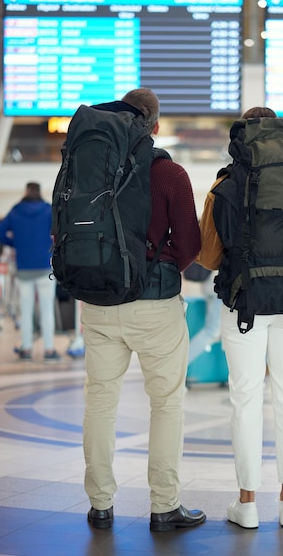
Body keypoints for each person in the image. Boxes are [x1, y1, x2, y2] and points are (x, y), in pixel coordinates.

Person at [198, 106, 283, 529]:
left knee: (245, 398)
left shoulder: (225, 184)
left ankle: (248, 503)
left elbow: (207, 256)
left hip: (244, 304)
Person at [79, 88, 206, 532]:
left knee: (100, 400)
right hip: (154, 306)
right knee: (167, 404)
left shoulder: (88, 164)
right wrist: (163, 263)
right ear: (155, 126)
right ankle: (164, 506)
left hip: (96, 301)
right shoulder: (169, 172)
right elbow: (191, 244)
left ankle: (99, 504)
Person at [0, 182, 60, 361]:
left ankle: (27, 349)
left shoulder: (15, 211)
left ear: (25, 192)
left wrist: (15, 244)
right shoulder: (48, 210)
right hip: (44, 267)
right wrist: (50, 246)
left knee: (26, 310)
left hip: (23, 268)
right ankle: (49, 350)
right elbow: (59, 232)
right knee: (47, 311)